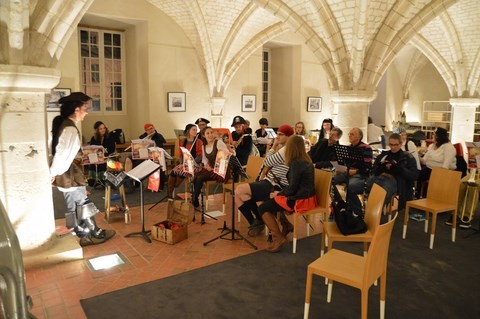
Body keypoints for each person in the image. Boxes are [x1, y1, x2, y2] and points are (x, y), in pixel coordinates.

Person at [50, 92, 116, 246]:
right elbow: (60, 154)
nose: (86, 112)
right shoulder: (70, 129)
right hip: (68, 173)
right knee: (82, 201)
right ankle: (95, 233)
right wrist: (52, 173)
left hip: (64, 172)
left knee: (72, 203)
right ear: (76, 109)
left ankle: (80, 231)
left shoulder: (66, 125)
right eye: (85, 108)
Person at [258, 135, 317, 252]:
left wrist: (279, 194)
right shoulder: (306, 160)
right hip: (307, 197)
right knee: (269, 201)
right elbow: (295, 186)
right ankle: (286, 226)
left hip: (300, 200)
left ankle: (278, 238)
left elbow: (292, 188)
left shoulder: (296, 163)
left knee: (263, 208)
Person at [235, 124, 294, 236]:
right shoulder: (283, 148)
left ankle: (258, 220)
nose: (277, 137)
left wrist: (273, 146)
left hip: (275, 185)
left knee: (240, 190)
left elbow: (266, 162)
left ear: (289, 137)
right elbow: (268, 162)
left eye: (281, 135)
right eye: (278, 134)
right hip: (269, 181)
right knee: (238, 196)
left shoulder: (286, 149)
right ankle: (256, 222)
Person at [366, 133, 418, 210]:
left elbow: (413, 175)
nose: (393, 147)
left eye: (395, 145)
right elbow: (374, 170)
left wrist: (398, 168)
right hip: (381, 177)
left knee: (383, 188)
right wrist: (382, 166)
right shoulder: (384, 155)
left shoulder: (407, 157)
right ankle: (371, 208)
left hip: (396, 181)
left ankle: (375, 210)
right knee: (369, 182)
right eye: (391, 144)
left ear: (400, 144)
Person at [333, 127, 373, 215]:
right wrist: (340, 168)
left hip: (359, 174)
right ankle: (340, 202)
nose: (349, 136)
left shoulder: (366, 148)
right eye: (349, 134)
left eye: (352, 134)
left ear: (359, 136)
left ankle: (358, 211)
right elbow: (343, 163)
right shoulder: (347, 148)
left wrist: (356, 171)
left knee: (351, 186)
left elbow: (368, 166)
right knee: (329, 181)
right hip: (347, 172)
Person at [191, 126, 231, 209]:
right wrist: (207, 165)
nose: (210, 135)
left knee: (200, 177)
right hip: (211, 167)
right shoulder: (204, 146)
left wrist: (216, 166)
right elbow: (204, 159)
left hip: (221, 169)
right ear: (204, 135)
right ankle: (195, 197)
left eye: (211, 132)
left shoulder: (218, 143)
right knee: (196, 176)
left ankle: (195, 198)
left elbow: (227, 155)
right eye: (207, 133)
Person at [167, 124, 203, 198]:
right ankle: (170, 193)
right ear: (188, 131)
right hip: (184, 164)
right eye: (193, 130)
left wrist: (189, 163)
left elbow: (200, 156)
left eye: (196, 130)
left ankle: (174, 187)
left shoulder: (199, 141)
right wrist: (181, 163)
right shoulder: (183, 141)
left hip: (196, 165)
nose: (196, 131)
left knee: (182, 172)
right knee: (173, 172)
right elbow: (181, 155)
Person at [419, 127, 456, 197]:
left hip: (443, 172)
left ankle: (425, 200)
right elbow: (424, 161)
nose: (432, 136)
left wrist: (436, 176)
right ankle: (416, 198)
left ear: (439, 136)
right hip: (429, 169)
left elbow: (446, 166)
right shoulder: (432, 146)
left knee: (429, 183)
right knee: (415, 175)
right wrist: (416, 156)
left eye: (434, 134)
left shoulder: (448, 147)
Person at [87, 121, 116, 186]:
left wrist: (104, 153)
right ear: (97, 130)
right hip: (97, 157)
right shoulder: (93, 138)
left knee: (103, 163)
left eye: (104, 128)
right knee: (92, 163)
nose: (103, 130)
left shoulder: (110, 137)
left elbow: (112, 148)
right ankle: (93, 181)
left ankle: (103, 181)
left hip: (107, 156)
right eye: (100, 129)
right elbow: (92, 149)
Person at [139, 123, 167, 189]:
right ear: (145, 131)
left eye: (151, 128)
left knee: (158, 162)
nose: (150, 131)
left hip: (156, 155)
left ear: (154, 128)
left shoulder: (159, 136)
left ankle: (158, 185)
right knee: (129, 159)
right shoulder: (142, 137)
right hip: (145, 155)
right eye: (148, 130)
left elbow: (160, 147)